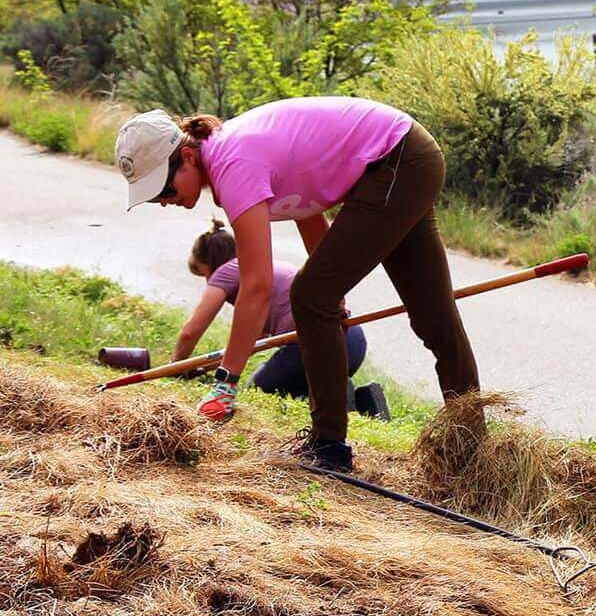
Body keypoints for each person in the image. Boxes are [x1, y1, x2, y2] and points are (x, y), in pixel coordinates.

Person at [117, 96, 480, 471]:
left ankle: (329, 446)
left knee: (308, 296)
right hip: (408, 155)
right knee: (432, 314)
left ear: (188, 158)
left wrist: (226, 384)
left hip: (396, 161)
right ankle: (471, 448)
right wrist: (332, 296)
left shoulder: (232, 164)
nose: (163, 201)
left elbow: (256, 286)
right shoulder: (228, 152)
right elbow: (306, 210)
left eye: (163, 189)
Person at [174, 219, 368, 404]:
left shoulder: (227, 271)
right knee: (303, 390)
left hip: (313, 342)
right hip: (353, 341)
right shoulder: (262, 269)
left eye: (204, 273)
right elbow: (246, 346)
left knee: (257, 390)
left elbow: (191, 331)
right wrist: (199, 369)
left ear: (211, 263)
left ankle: (332, 394)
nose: (209, 282)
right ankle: (356, 400)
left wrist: (176, 366)